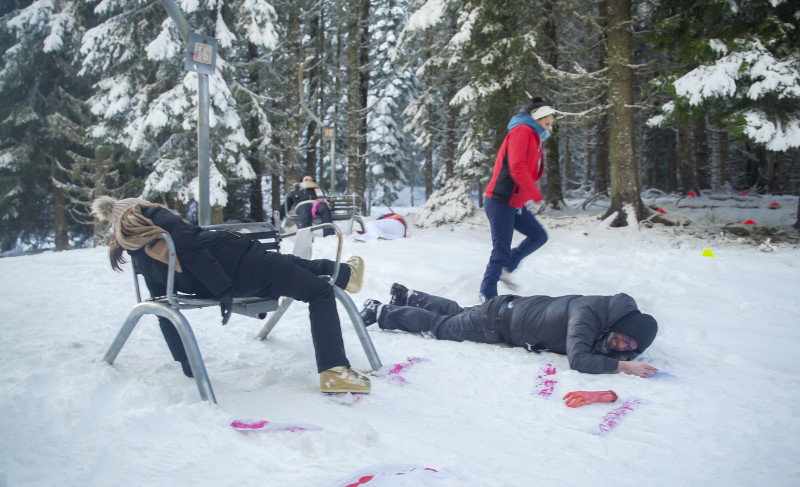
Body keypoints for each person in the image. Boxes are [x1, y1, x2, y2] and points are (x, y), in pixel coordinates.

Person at [91, 196, 370, 394]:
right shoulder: (152, 216)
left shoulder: (140, 254)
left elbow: (160, 306)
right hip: (242, 267)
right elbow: (191, 247)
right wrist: (222, 289)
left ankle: (345, 274)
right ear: (136, 211)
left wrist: (187, 364)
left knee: (291, 266)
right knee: (319, 291)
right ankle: (333, 371)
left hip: (242, 267)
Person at [360, 284, 659, 377]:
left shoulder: (606, 311)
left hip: (507, 309)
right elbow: (579, 359)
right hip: (498, 324)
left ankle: (410, 298)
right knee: (441, 327)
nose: (621, 346)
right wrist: (623, 367)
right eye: (624, 337)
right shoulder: (589, 314)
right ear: (621, 324)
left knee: (460, 313)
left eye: (628, 347)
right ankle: (381, 312)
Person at [480, 97, 555, 301]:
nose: (550, 127)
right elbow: (517, 168)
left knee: (539, 236)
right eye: (547, 123)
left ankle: (506, 267)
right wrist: (535, 193)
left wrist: (526, 197)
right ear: (537, 118)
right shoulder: (522, 131)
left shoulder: (534, 137)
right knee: (500, 250)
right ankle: (487, 295)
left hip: (515, 204)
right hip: (500, 200)